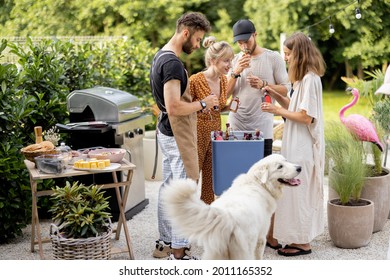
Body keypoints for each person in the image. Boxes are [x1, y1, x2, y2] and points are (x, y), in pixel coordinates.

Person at [149, 12, 217, 260]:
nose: (198, 45)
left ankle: (165, 243)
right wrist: (204, 104)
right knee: (184, 189)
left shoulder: (161, 55)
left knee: (169, 187)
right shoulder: (173, 64)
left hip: (166, 131)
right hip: (177, 134)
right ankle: (178, 252)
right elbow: (175, 106)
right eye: (198, 39)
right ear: (186, 32)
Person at [227, 19, 290, 249]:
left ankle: (268, 235)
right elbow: (225, 93)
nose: (243, 46)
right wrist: (235, 72)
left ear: (255, 34)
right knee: (238, 182)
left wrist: (265, 83)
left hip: (261, 129)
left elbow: (286, 87)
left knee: (267, 184)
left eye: (246, 40)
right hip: (237, 127)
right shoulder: (236, 60)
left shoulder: (272, 58)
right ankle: (238, 234)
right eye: (240, 42)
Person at [261, 32, 326, 256]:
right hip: (296, 144)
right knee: (294, 192)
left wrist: (277, 110)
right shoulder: (301, 80)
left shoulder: (311, 79)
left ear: (298, 54)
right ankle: (296, 238)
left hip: (303, 147)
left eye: (288, 54)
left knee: (300, 193)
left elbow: (306, 117)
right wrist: (273, 94)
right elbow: (294, 107)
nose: (286, 58)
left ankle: (303, 243)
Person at [189, 36, 234, 204]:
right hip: (196, 133)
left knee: (210, 177)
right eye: (226, 61)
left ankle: (206, 213)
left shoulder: (223, 80)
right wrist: (201, 105)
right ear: (214, 60)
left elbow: (217, 108)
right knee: (192, 177)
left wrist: (229, 107)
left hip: (215, 134)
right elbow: (185, 108)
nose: (230, 65)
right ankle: (188, 214)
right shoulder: (195, 80)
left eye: (231, 60)